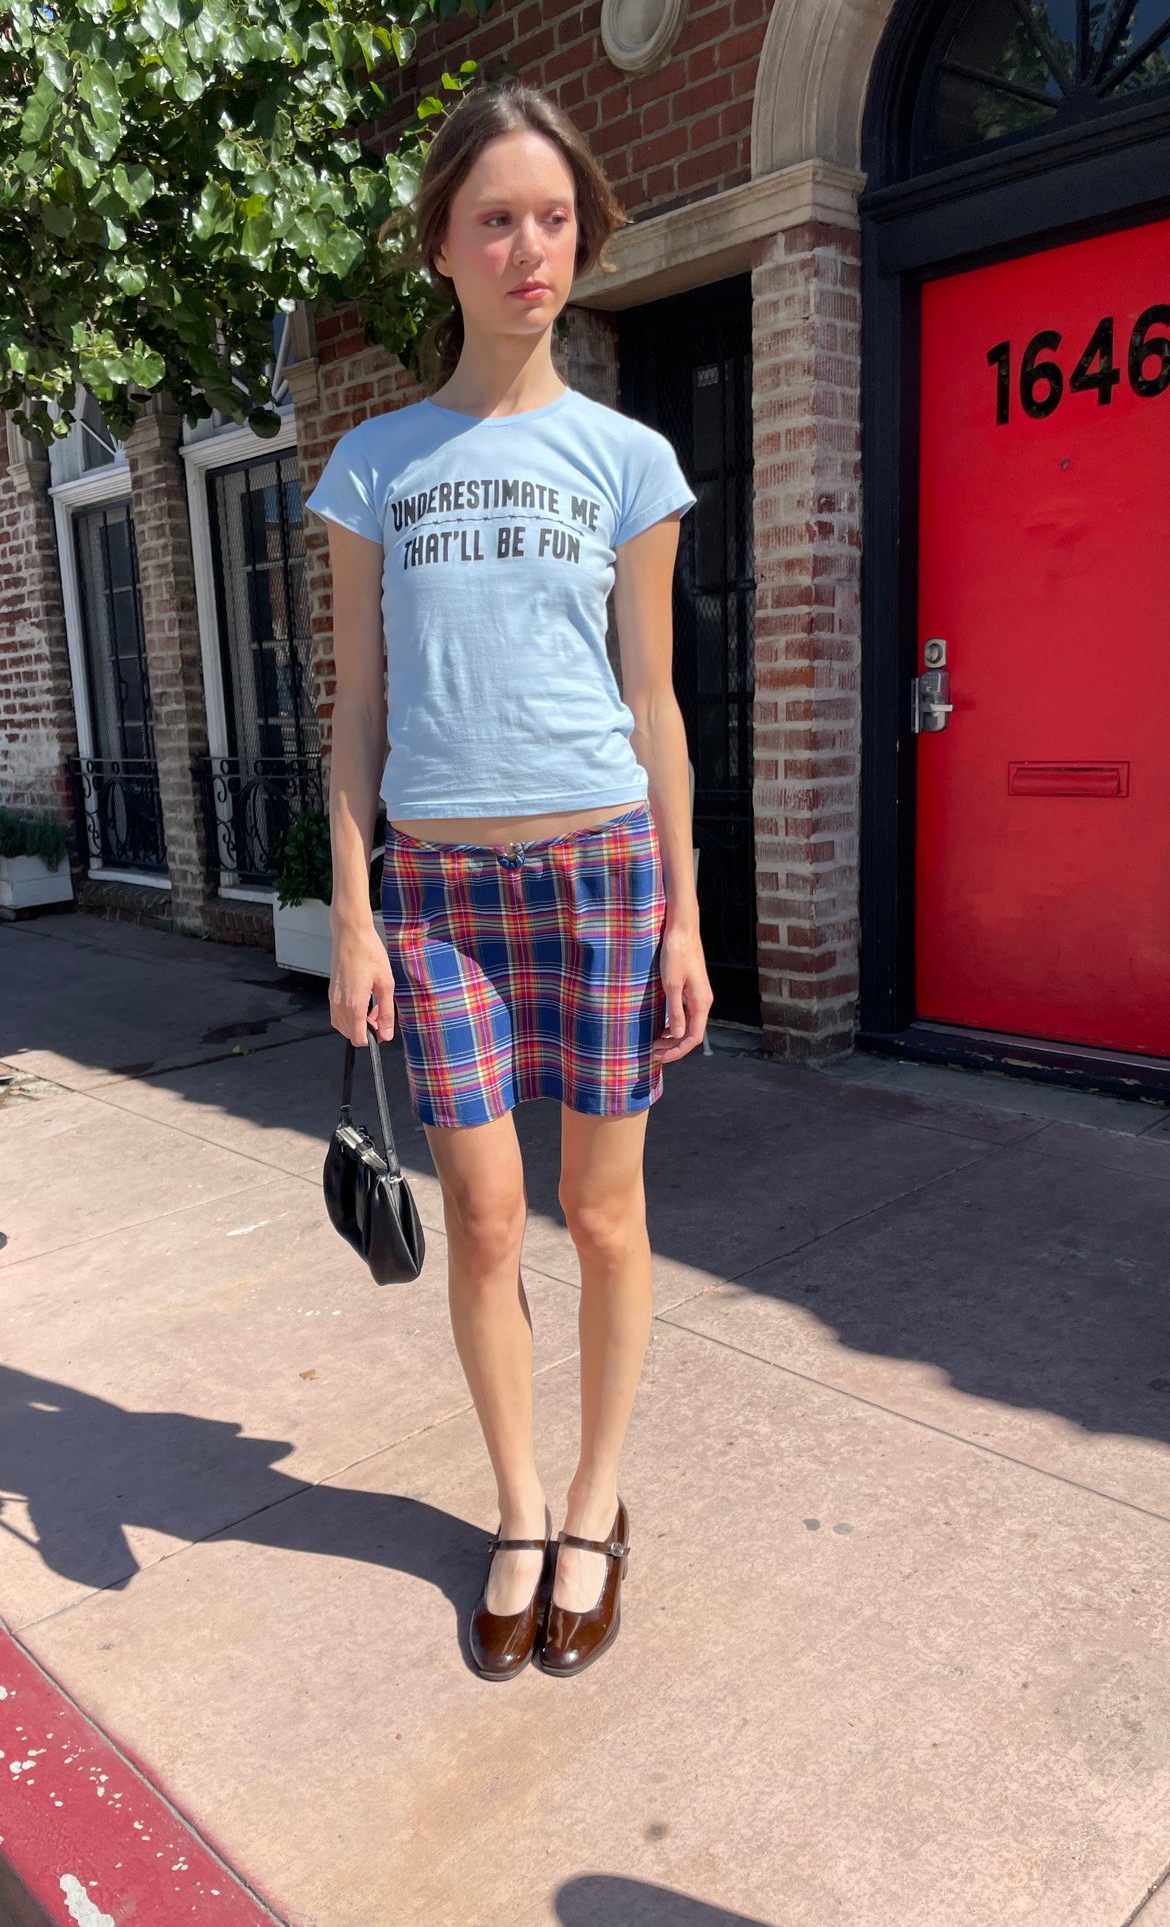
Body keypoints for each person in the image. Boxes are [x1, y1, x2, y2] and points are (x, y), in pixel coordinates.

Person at [305, 79, 712, 1681]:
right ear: (441, 250)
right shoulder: (375, 464)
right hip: (442, 900)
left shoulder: (628, 458)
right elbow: (350, 708)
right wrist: (351, 909)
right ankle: (521, 1506)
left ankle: (600, 1506)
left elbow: (658, 701)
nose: (529, 247)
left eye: (553, 218)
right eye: (496, 218)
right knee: (484, 1222)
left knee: (602, 1217)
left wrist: (685, 914)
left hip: (605, 872)